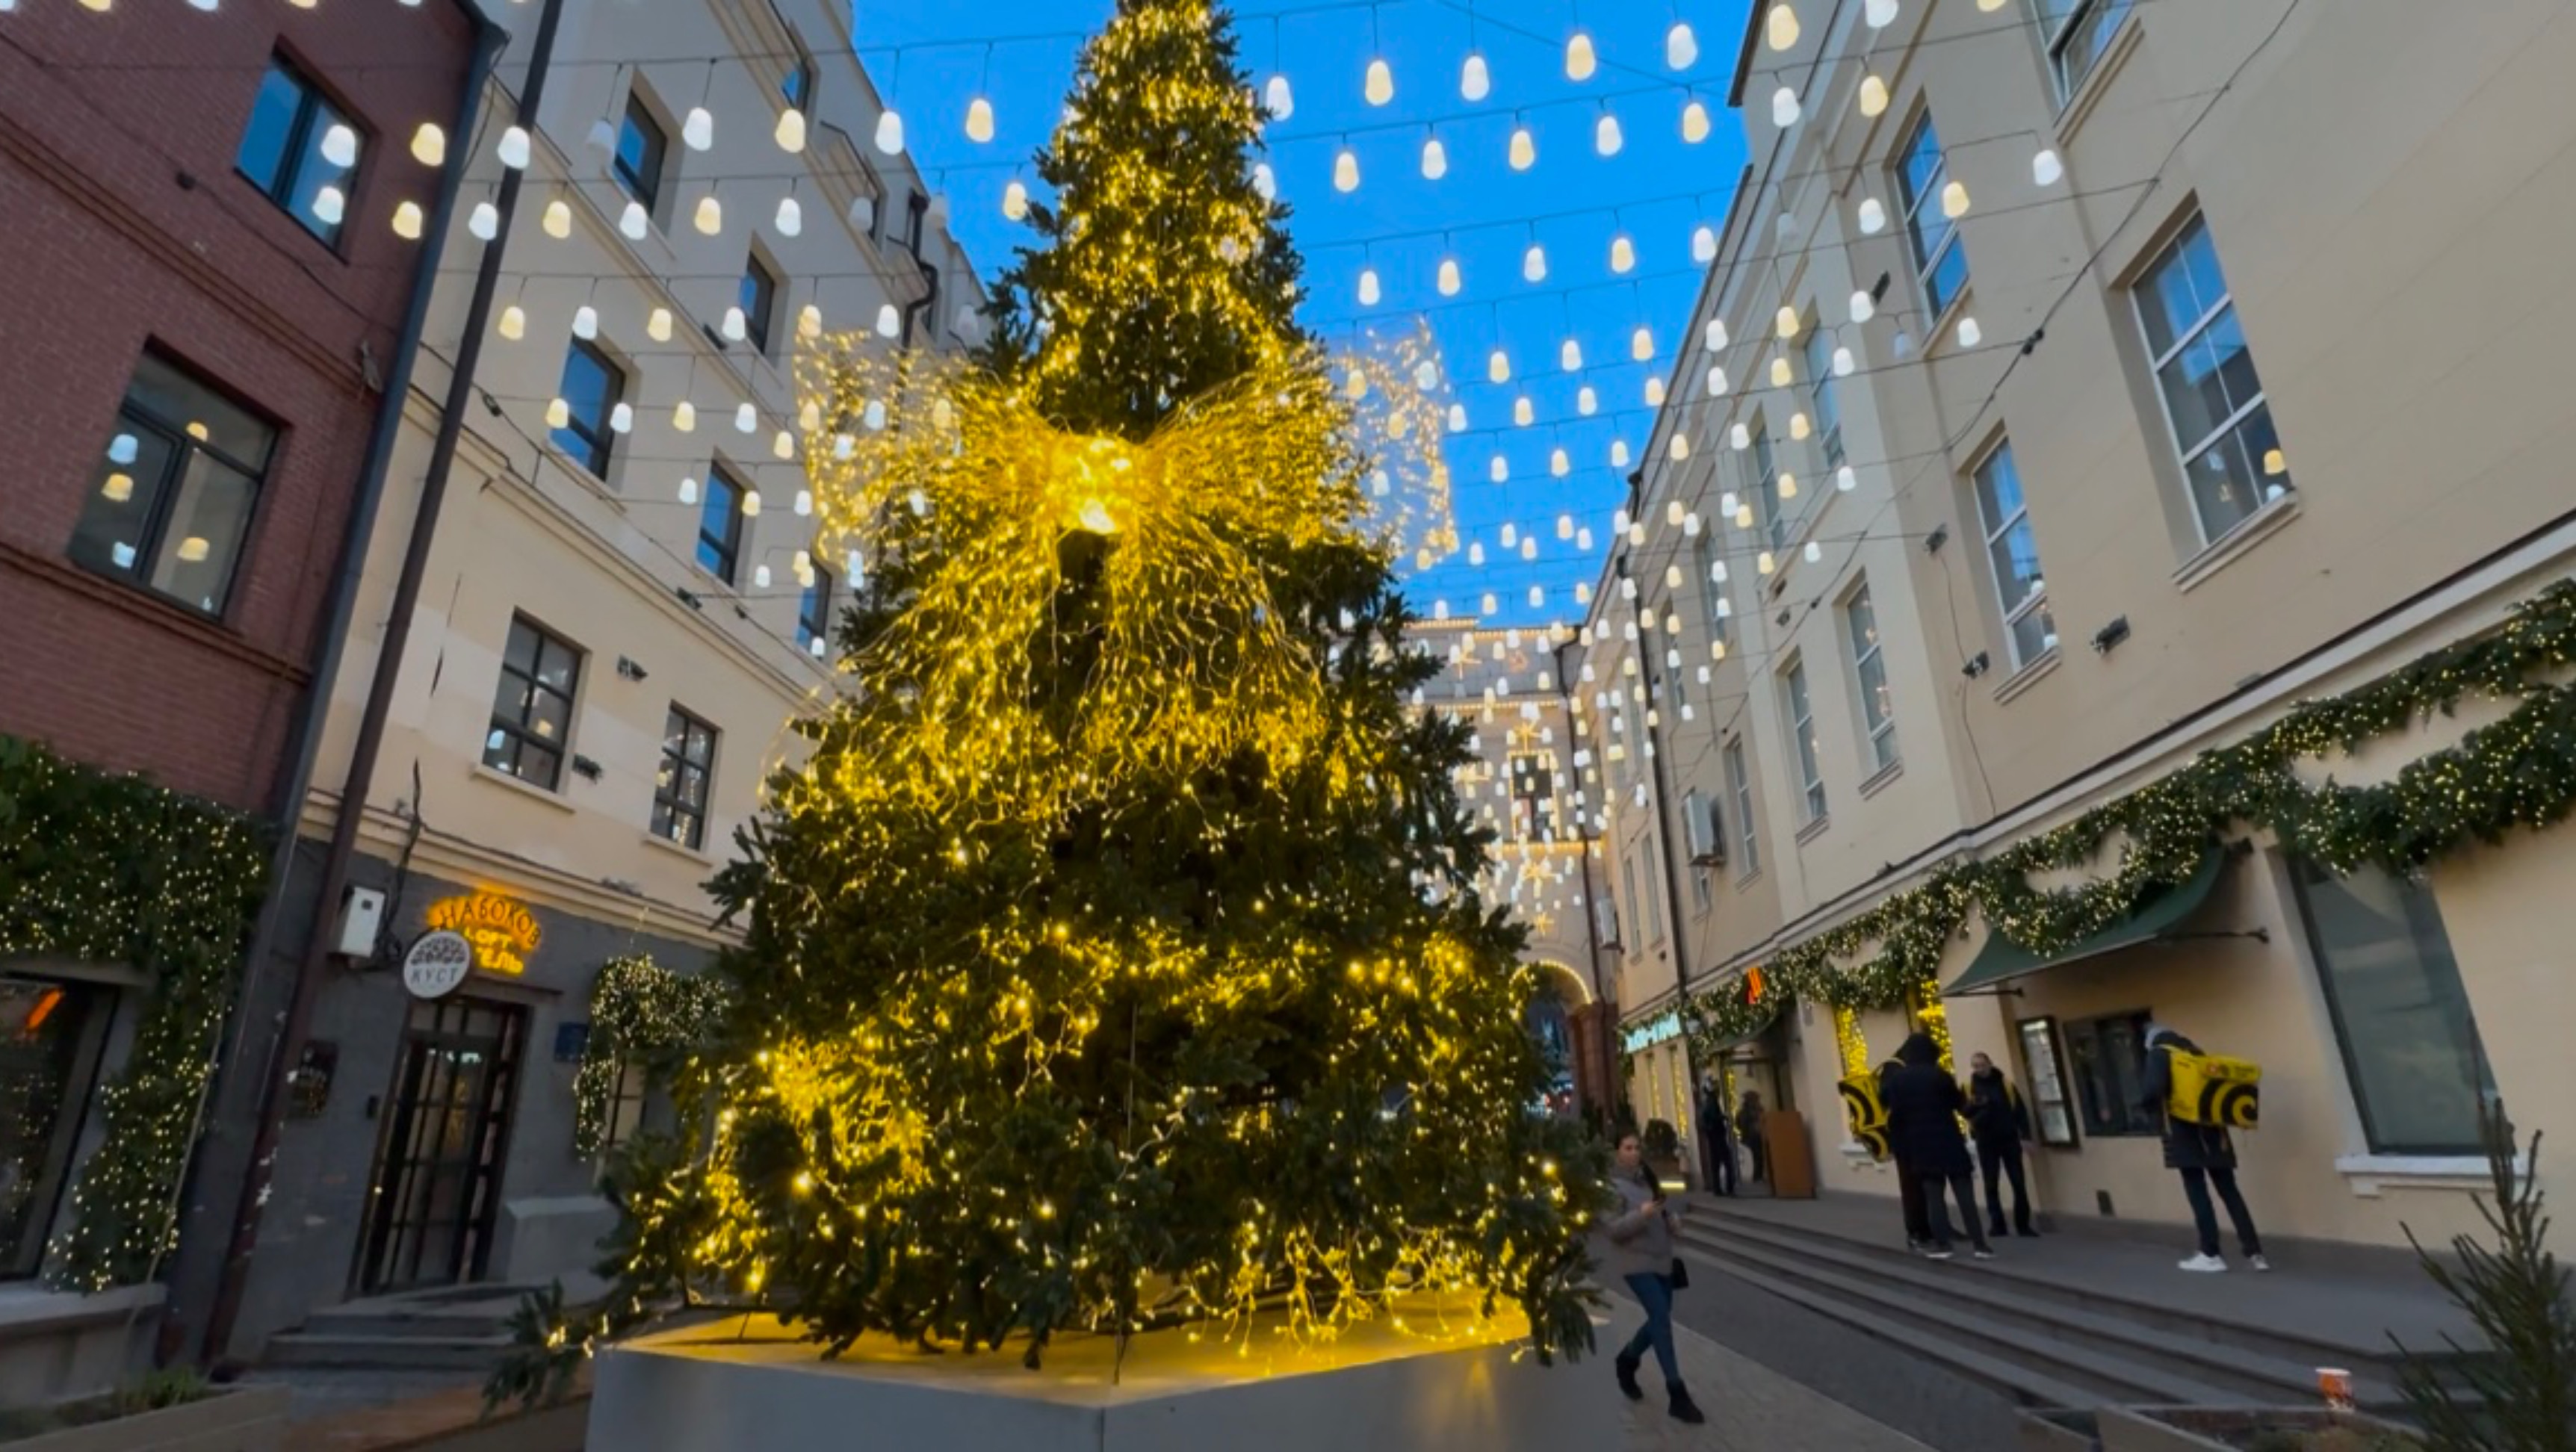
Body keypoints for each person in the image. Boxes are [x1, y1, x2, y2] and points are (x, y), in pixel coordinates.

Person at [2142, 1024, 2267, 1273]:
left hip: (2184, 1135)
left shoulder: (2159, 1054)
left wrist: (2145, 1108)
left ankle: (2210, 1253)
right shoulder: (2197, 1054)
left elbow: (2153, 1090)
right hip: (2215, 1134)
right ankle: (2255, 1253)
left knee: (2198, 1194)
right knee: (2230, 1192)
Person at [1600, 1133, 1707, 1424]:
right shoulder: (1612, 1187)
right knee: (1660, 1315)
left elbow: (1662, 1213)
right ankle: (1677, 1393)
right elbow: (1613, 1229)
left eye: (1637, 1148)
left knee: (1659, 1319)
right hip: (1635, 1263)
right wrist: (1643, 1214)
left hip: (1662, 1260)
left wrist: (1671, 1222)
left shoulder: (1648, 1180)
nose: (1634, 1153)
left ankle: (1627, 1360)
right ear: (1617, 1152)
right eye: (1628, 1148)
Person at [1880, 1032, 1992, 1261]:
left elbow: (1893, 1114)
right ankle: (1980, 1245)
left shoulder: (1898, 1081)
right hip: (1950, 1142)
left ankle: (1943, 1245)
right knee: (1966, 1197)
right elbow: (1961, 1106)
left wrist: (1896, 1141)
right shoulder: (1940, 1076)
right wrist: (1978, 1105)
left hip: (1922, 1146)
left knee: (1934, 1198)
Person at [1966, 1051, 2038, 1238]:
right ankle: (1998, 1225)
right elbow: (1964, 1111)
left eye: (1982, 1065)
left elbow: (2020, 1112)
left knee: (2018, 1182)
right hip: (1985, 1140)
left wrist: (2026, 1137)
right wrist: (1974, 1104)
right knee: (1991, 1184)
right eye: (1975, 1066)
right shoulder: (1968, 1087)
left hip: (2008, 1139)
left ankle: (2023, 1225)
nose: (1979, 1069)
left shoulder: (2005, 1084)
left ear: (1989, 1063)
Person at [1877, 1054, 1931, 1250]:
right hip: (1913, 1147)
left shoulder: (1890, 1097)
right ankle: (1919, 1231)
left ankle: (1920, 1230)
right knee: (1919, 1189)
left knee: (1915, 1190)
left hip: (1907, 1148)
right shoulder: (1899, 1100)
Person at [1697, 1079, 1736, 1197]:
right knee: (1727, 1162)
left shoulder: (1706, 1102)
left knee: (1715, 1164)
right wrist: (1724, 1117)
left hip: (1712, 1137)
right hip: (1718, 1136)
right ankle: (1729, 1188)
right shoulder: (1712, 1102)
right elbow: (1714, 1117)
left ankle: (1717, 1188)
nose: (1718, 1091)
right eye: (1716, 1088)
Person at [1736, 1089, 1767, 1184]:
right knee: (1757, 1156)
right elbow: (1741, 1124)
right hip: (1753, 1136)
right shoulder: (1750, 1111)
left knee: (1757, 1156)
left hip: (1751, 1136)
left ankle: (1758, 1176)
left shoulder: (1743, 1111)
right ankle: (1757, 1177)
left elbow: (1738, 1124)